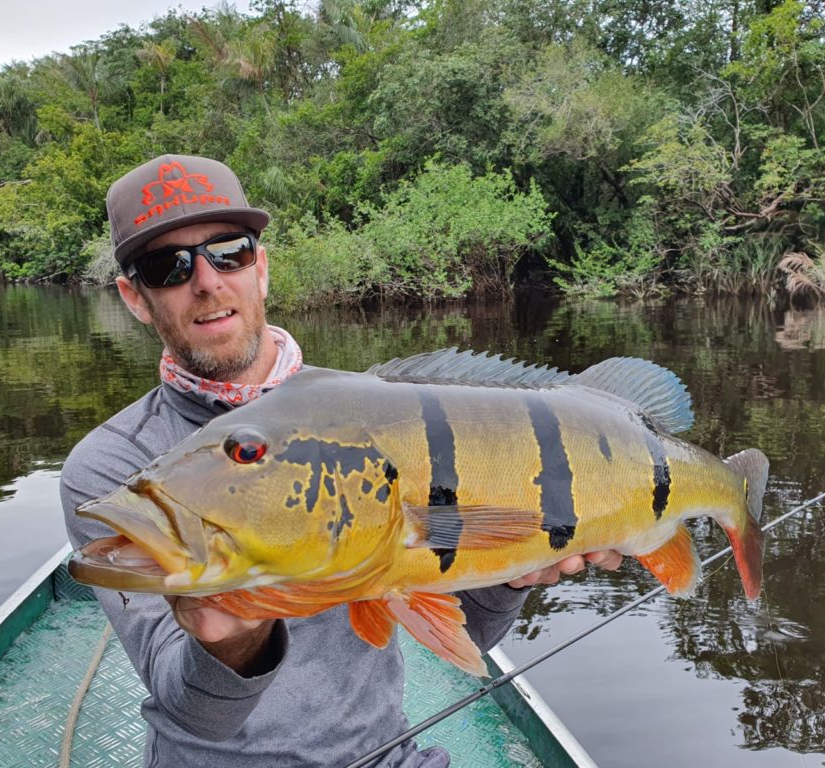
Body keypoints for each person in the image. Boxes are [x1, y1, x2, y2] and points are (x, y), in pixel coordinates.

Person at [61, 153, 623, 768]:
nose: (207, 281)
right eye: (166, 266)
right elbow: (192, 710)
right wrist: (237, 637)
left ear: (261, 268)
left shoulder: (381, 415)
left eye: (230, 252)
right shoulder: (117, 470)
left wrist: (512, 574)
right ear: (134, 298)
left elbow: (468, 635)